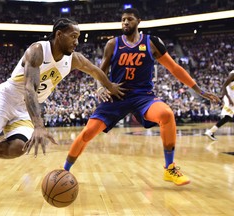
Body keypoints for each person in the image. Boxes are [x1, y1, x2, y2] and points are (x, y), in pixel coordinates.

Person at [0, 18, 126, 205]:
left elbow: (96, 71)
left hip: (25, 109)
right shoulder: (37, 51)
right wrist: (39, 126)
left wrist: (110, 86)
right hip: (6, 99)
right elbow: (30, 89)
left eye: (78, 37)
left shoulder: (74, 59)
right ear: (59, 34)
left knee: (18, 148)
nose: (76, 42)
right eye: (73, 36)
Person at [61, 8, 220, 186]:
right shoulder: (113, 44)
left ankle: (170, 168)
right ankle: (63, 171)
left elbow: (174, 68)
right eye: (123, 20)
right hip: (116, 96)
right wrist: (100, 87)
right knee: (87, 133)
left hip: (143, 97)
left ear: (139, 21)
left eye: (129, 19)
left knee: (166, 114)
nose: (125, 23)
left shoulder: (152, 42)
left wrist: (199, 90)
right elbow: (100, 71)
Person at [205, 70, 234, 140]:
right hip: (229, 99)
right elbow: (224, 86)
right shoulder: (233, 74)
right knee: (228, 117)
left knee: (228, 117)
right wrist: (228, 98)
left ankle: (211, 131)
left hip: (232, 99)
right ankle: (210, 131)